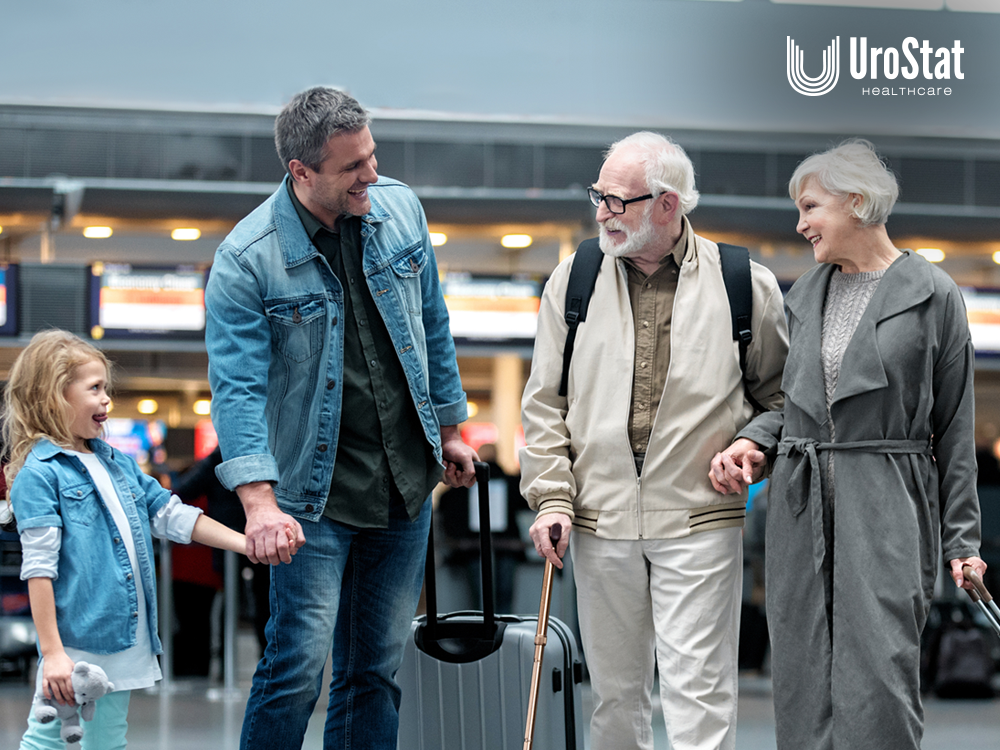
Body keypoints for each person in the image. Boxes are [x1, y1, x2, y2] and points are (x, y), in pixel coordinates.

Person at [204, 86, 478, 750]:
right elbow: (237, 390)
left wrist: (448, 431)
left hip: (403, 486)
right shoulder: (247, 259)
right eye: (352, 166)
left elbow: (432, 323)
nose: (371, 175)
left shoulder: (400, 210)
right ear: (300, 171)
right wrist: (259, 505)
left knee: (374, 672)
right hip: (309, 499)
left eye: (372, 156)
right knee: (296, 670)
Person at [709, 139, 987, 750]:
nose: (800, 223)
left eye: (811, 207)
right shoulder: (804, 295)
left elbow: (954, 429)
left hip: (887, 506)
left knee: (881, 679)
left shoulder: (933, 293)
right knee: (803, 678)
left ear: (857, 203)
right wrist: (754, 444)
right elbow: (790, 406)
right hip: (800, 508)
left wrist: (963, 541)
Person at [520, 131, 789, 750]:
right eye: (599, 197)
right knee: (615, 702)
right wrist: (553, 498)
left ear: (668, 204)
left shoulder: (743, 283)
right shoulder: (573, 279)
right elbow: (545, 403)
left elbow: (781, 402)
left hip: (699, 520)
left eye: (619, 201)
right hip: (600, 521)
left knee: (699, 700)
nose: (602, 213)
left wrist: (752, 445)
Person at [4, 330, 249, 750]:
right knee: (47, 741)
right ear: (53, 396)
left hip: (127, 636)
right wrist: (54, 653)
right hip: (77, 642)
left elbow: (172, 514)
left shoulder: (117, 463)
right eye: (94, 388)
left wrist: (245, 543)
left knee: (108, 739)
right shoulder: (40, 474)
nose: (106, 400)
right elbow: (39, 569)